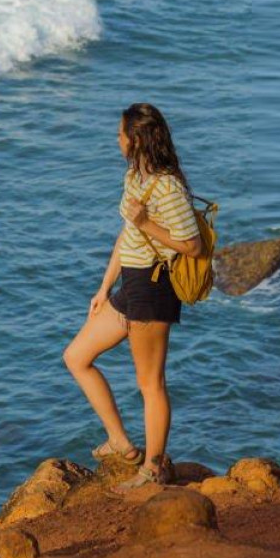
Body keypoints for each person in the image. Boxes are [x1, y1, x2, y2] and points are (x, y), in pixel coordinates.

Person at [63, 102, 204, 489]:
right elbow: (128, 234)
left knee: (150, 384)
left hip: (155, 287)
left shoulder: (168, 186)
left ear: (136, 139)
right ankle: (120, 441)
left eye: (121, 133)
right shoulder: (134, 177)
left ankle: (153, 468)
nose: (117, 138)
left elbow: (191, 246)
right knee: (76, 357)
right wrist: (104, 286)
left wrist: (147, 223)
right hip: (130, 284)